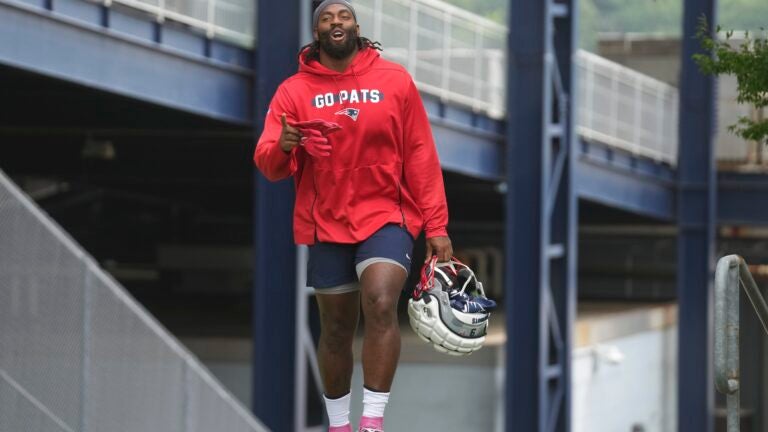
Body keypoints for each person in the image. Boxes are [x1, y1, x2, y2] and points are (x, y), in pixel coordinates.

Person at [253, 1, 452, 431]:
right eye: (326, 19)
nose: (335, 22)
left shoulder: (394, 80)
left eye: (343, 17)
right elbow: (268, 164)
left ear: (357, 27)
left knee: (381, 300)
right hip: (327, 221)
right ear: (316, 32)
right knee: (337, 329)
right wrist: (285, 144)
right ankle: (340, 425)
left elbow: (420, 154)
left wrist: (436, 226)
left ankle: (371, 423)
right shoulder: (293, 91)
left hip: (387, 214)